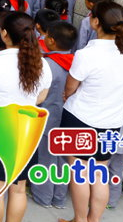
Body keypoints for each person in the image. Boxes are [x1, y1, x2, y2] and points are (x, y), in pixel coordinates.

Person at [60, 2, 123, 222]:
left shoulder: (87, 54)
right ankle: (93, 219)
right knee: (99, 174)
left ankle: (79, 219)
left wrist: (68, 95)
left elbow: (70, 87)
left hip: (80, 118)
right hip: (112, 121)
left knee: (80, 174)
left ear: (95, 22)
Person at [0, 11, 52, 222]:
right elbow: (40, 98)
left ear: (5, 34)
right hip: (27, 130)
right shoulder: (42, 64)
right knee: (18, 190)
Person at [31, 21, 77, 209]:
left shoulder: (46, 64)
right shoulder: (77, 63)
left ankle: (43, 196)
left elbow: (36, 94)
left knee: (45, 159)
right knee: (64, 159)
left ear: (50, 40)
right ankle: (59, 198)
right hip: (69, 119)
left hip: (47, 120)